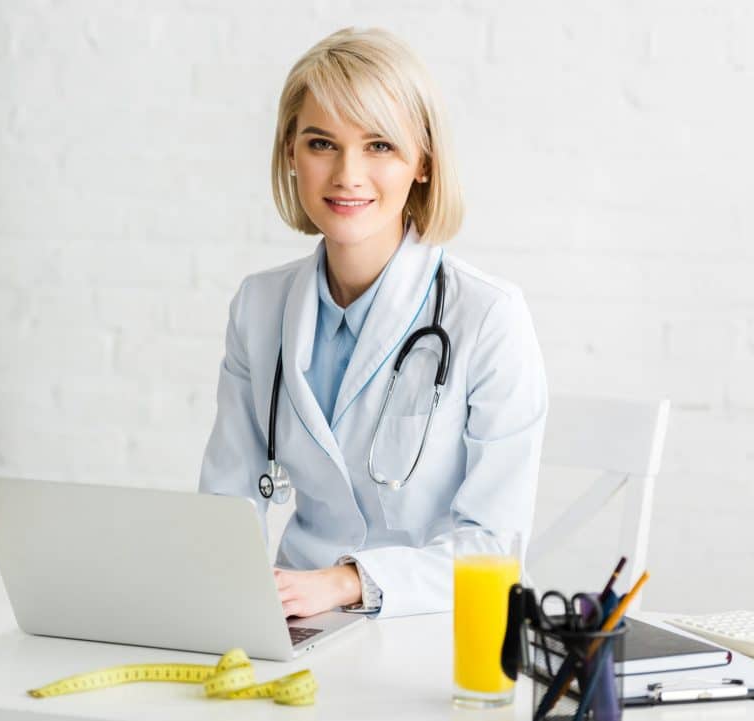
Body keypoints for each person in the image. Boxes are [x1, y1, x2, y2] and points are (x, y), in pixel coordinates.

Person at [198, 27, 548, 619]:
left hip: (438, 627)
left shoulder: (488, 317)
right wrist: (227, 598)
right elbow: (226, 509)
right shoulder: (258, 307)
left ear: (423, 163)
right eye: (321, 143)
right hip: (296, 621)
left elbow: (496, 547)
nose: (347, 174)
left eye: (380, 145)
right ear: (290, 153)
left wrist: (345, 582)